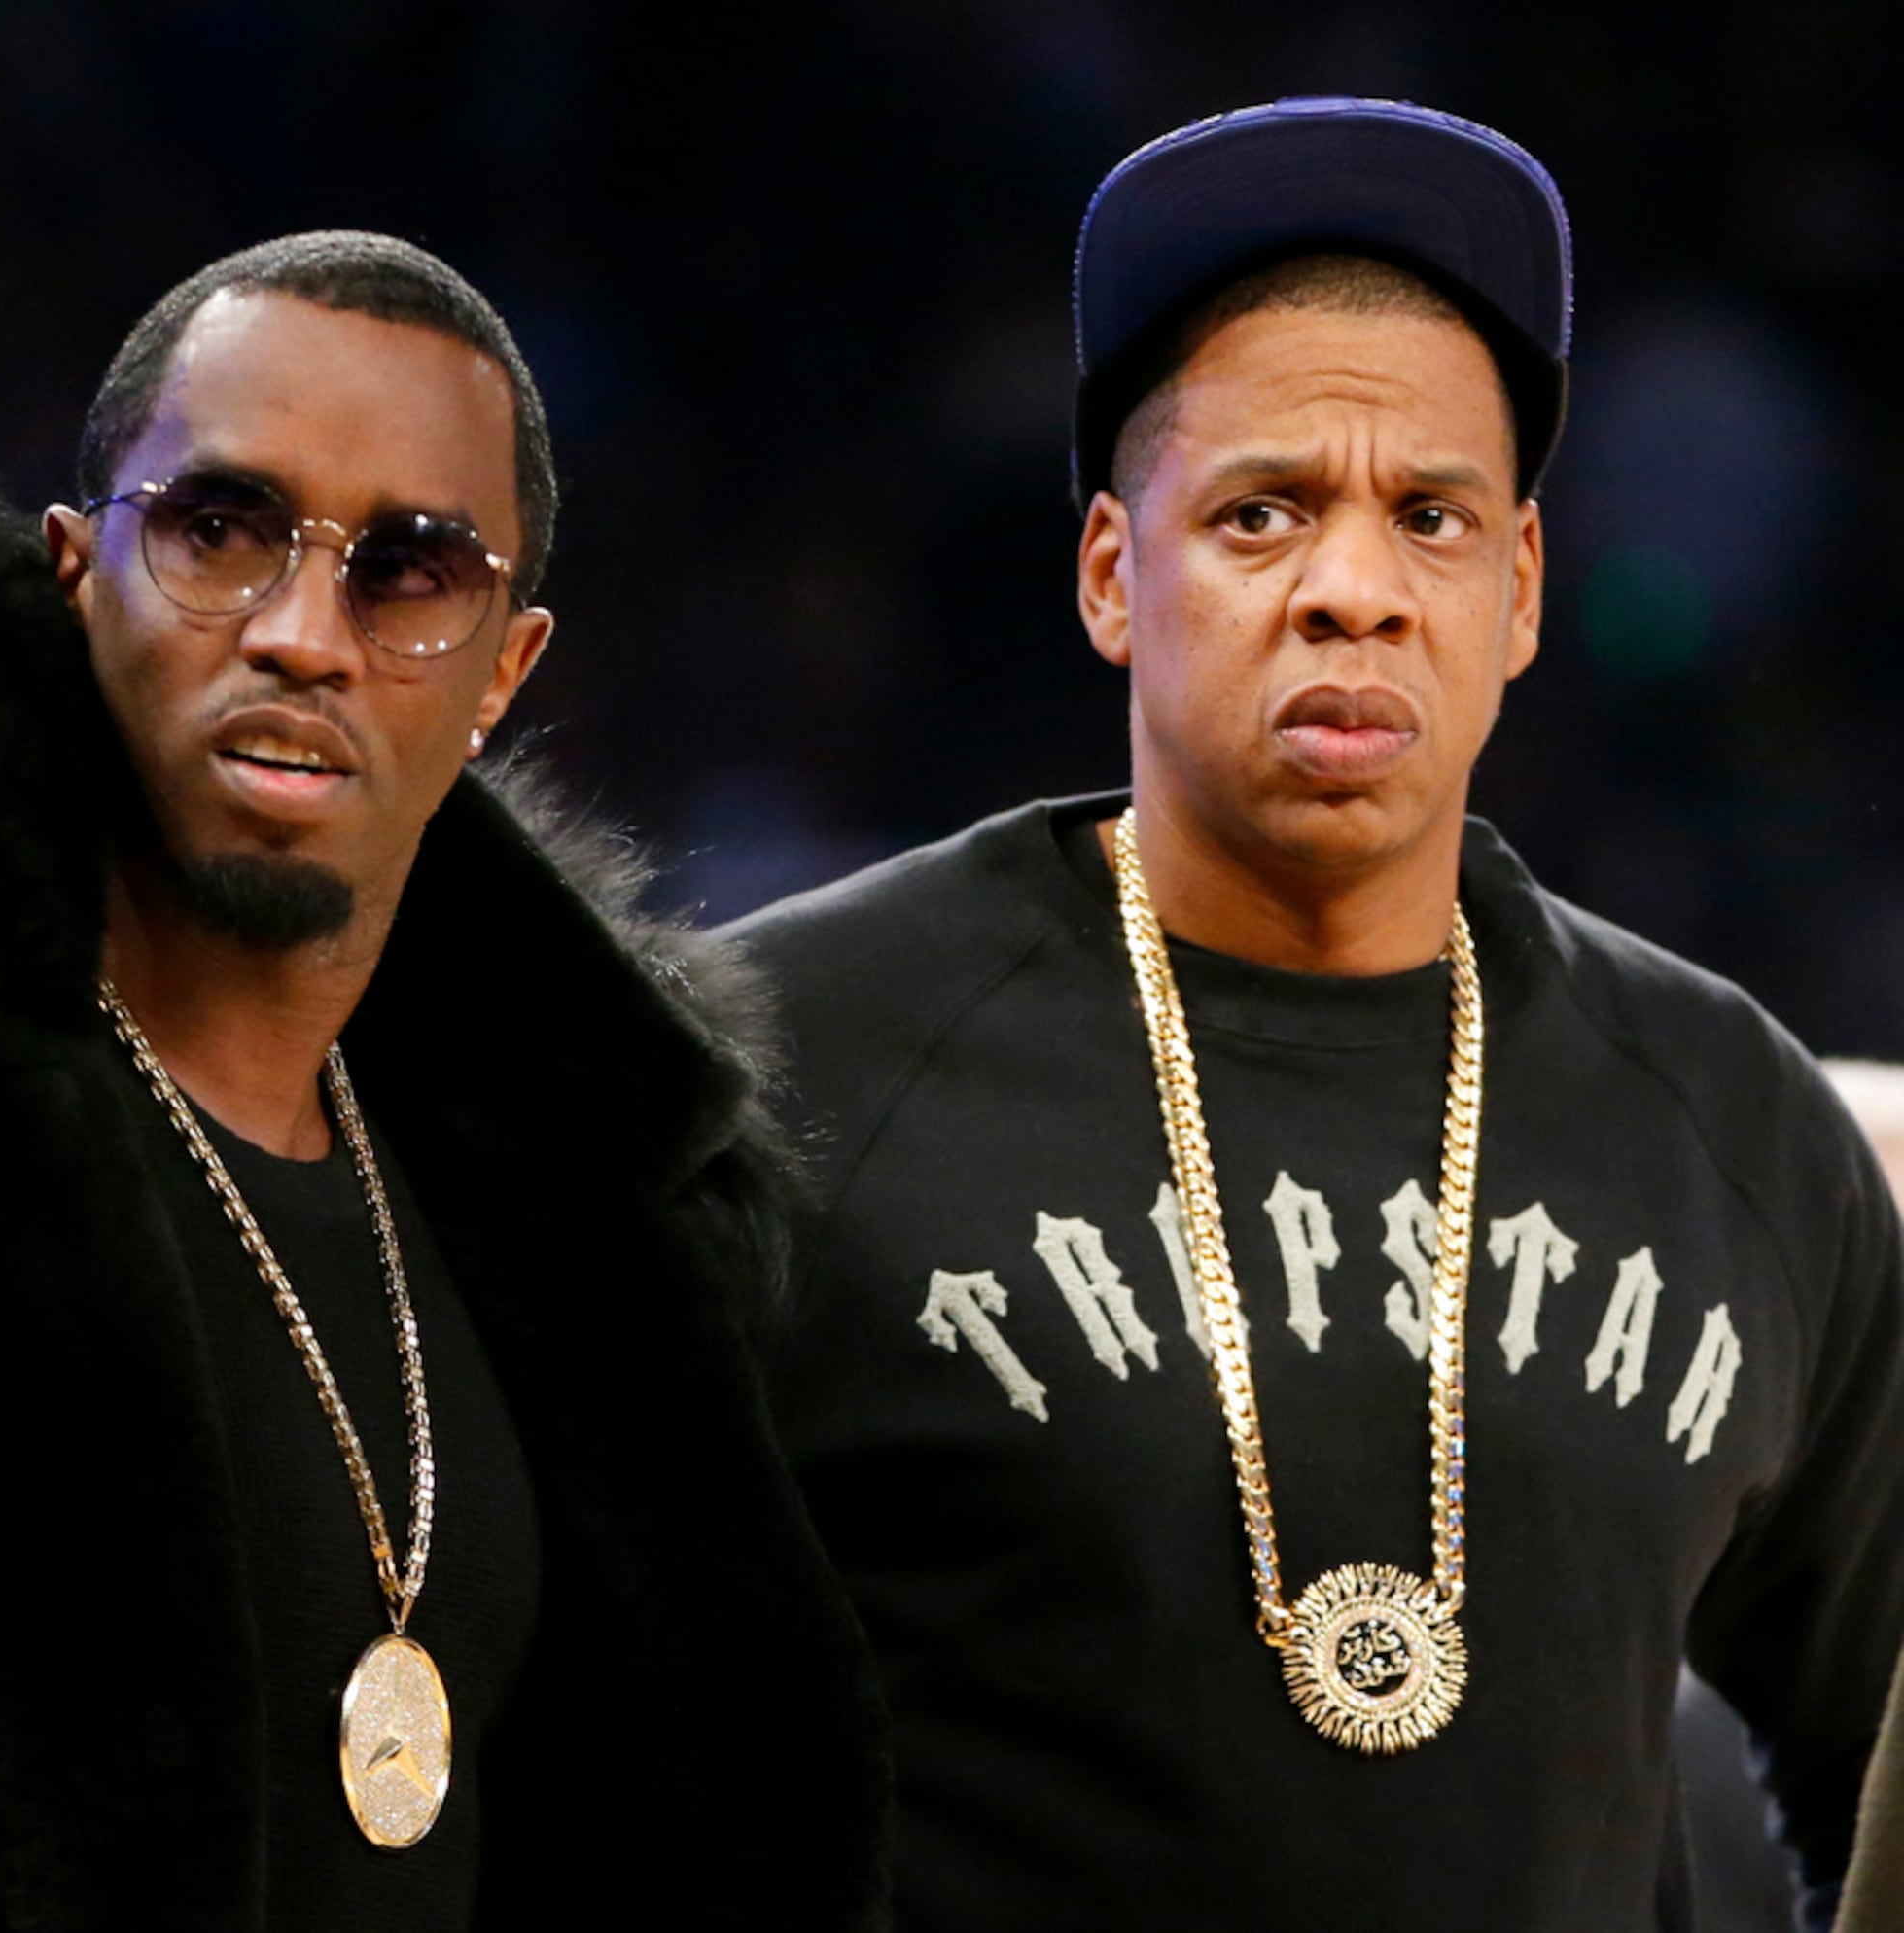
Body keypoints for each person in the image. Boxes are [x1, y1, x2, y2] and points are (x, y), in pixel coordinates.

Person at [0, 232, 885, 1930]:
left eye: (407, 571)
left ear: (504, 672)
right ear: (71, 574)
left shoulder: (597, 1257)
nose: (303, 633)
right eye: (220, 530)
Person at [732, 100, 1904, 1931]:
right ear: (1117, 577)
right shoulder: (784, 1065)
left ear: (1516, 592)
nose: (1352, 589)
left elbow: (1883, 1748)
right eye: (1264, 512)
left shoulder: (1730, 1120)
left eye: (1427, 517)